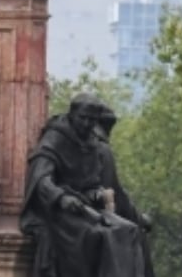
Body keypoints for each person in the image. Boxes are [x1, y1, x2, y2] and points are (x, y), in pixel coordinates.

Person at [21, 93, 146, 277]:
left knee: (128, 230)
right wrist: (61, 198)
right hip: (59, 212)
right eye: (83, 118)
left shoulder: (93, 142)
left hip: (86, 207)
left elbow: (95, 181)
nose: (87, 124)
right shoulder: (56, 137)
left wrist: (95, 193)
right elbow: (41, 179)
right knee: (98, 236)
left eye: (91, 120)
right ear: (72, 114)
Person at [92, 102, 155, 277]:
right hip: (94, 211)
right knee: (136, 235)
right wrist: (139, 218)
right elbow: (115, 192)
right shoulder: (101, 149)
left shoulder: (86, 145)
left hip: (89, 206)